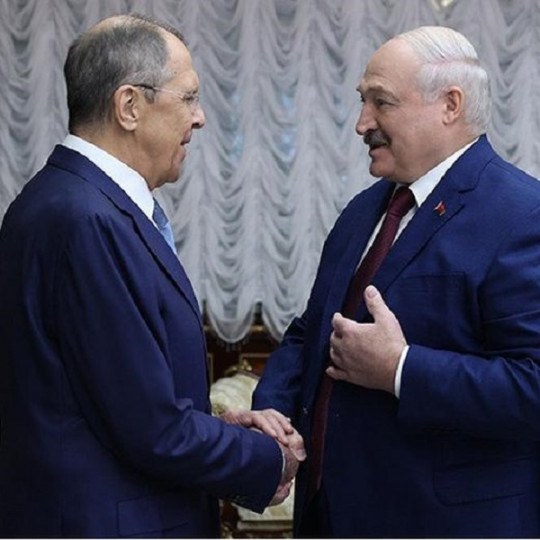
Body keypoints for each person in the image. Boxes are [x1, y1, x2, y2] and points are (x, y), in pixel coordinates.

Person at [0, 13, 304, 538]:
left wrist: (216, 426)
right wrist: (268, 459)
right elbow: (149, 429)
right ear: (129, 107)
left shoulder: (74, 203)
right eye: (188, 98)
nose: (200, 118)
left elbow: (109, 399)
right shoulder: (85, 221)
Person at [252, 25, 540, 538]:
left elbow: (532, 384)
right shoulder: (364, 211)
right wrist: (272, 410)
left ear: (450, 105)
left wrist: (401, 369)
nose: (362, 123)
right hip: (329, 517)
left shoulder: (523, 214)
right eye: (362, 101)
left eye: (381, 102)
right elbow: (315, 329)